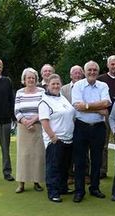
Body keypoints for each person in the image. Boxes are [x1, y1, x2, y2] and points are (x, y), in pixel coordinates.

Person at [71, 61, 111, 203]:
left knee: (97, 160)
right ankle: (79, 190)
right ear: (84, 71)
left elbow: (106, 104)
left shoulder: (103, 86)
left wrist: (87, 105)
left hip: (99, 127)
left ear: (98, 71)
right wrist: (98, 108)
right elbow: (77, 106)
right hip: (81, 126)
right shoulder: (78, 85)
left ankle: (94, 188)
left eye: (95, 70)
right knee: (80, 161)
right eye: (90, 70)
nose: (92, 72)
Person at [39, 74, 75, 202]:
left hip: (68, 139)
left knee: (64, 166)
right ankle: (53, 192)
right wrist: (53, 137)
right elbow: (44, 121)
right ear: (47, 86)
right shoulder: (44, 101)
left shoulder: (62, 98)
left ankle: (62, 188)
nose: (55, 86)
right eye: (53, 84)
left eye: (58, 84)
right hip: (55, 140)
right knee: (53, 167)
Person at [14, 68, 46, 193]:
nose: (31, 80)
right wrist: (25, 122)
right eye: (28, 78)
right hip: (23, 128)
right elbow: (17, 110)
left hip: (38, 127)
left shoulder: (42, 91)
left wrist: (33, 120)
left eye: (33, 78)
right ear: (24, 79)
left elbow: (45, 108)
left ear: (36, 79)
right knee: (23, 155)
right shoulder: (19, 92)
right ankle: (21, 184)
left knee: (37, 155)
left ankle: (36, 182)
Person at [98, 55, 115, 179]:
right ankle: (102, 170)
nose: (114, 66)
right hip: (104, 115)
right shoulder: (100, 79)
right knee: (103, 144)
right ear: (108, 65)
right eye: (112, 64)